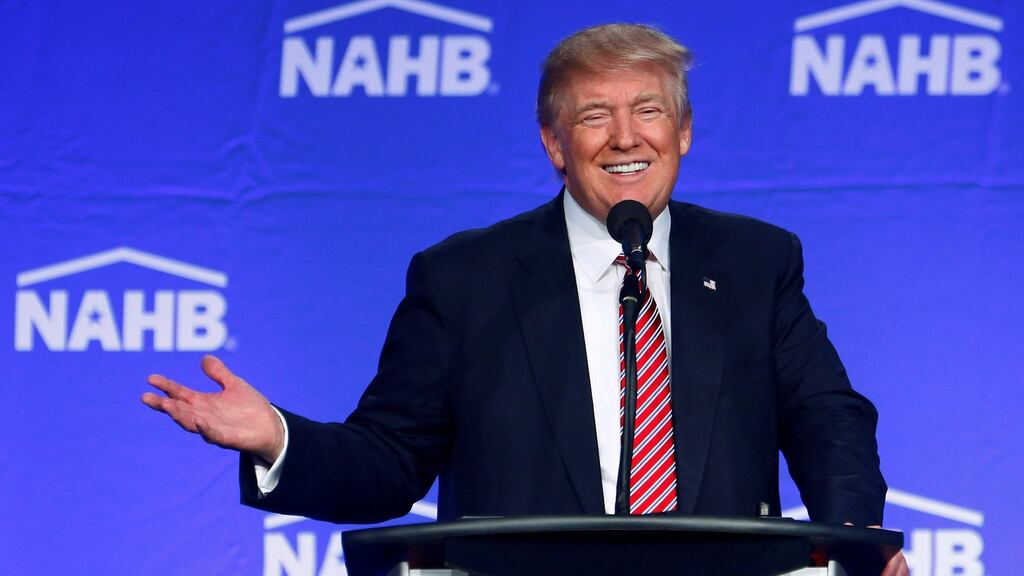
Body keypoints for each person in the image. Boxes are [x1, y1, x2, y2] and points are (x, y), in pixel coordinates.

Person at [143, 23, 907, 575]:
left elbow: (824, 414)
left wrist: (851, 540)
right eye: (592, 116)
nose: (623, 136)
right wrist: (277, 437)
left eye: (647, 110)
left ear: (683, 133)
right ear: (553, 144)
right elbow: (390, 460)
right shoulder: (464, 277)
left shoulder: (755, 259)